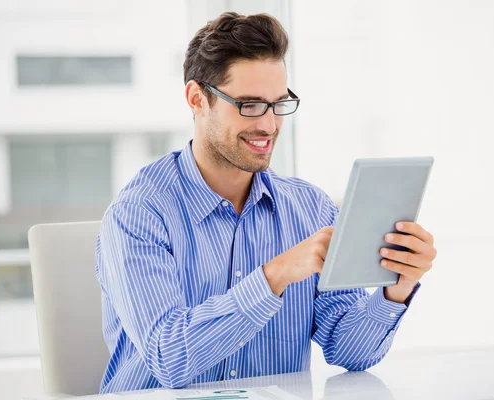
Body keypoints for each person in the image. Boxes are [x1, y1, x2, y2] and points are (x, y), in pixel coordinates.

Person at [96, 12, 438, 393]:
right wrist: (274, 276)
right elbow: (169, 357)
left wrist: (396, 288)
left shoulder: (311, 209)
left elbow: (349, 350)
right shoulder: (140, 213)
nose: (270, 125)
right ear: (197, 99)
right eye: (250, 105)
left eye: (279, 104)